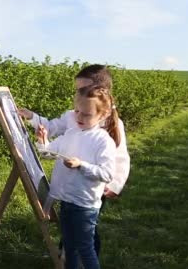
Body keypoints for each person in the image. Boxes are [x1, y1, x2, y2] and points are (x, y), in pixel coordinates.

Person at [19, 64, 130, 257]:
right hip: (71, 181)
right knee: (69, 222)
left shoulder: (112, 122)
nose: (78, 93)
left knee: (87, 229)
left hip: (93, 185)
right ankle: (68, 258)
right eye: (77, 89)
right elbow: (51, 126)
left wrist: (115, 184)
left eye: (82, 88)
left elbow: (120, 156)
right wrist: (32, 117)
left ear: (100, 90)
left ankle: (86, 267)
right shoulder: (74, 115)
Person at [35, 86, 117, 269]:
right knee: (69, 245)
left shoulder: (103, 141)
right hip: (67, 200)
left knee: (85, 248)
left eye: (87, 114)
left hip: (85, 205)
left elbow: (107, 174)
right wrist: (42, 140)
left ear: (103, 114)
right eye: (77, 111)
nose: (79, 117)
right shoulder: (71, 133)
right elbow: (48, 153)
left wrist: (82, 165)